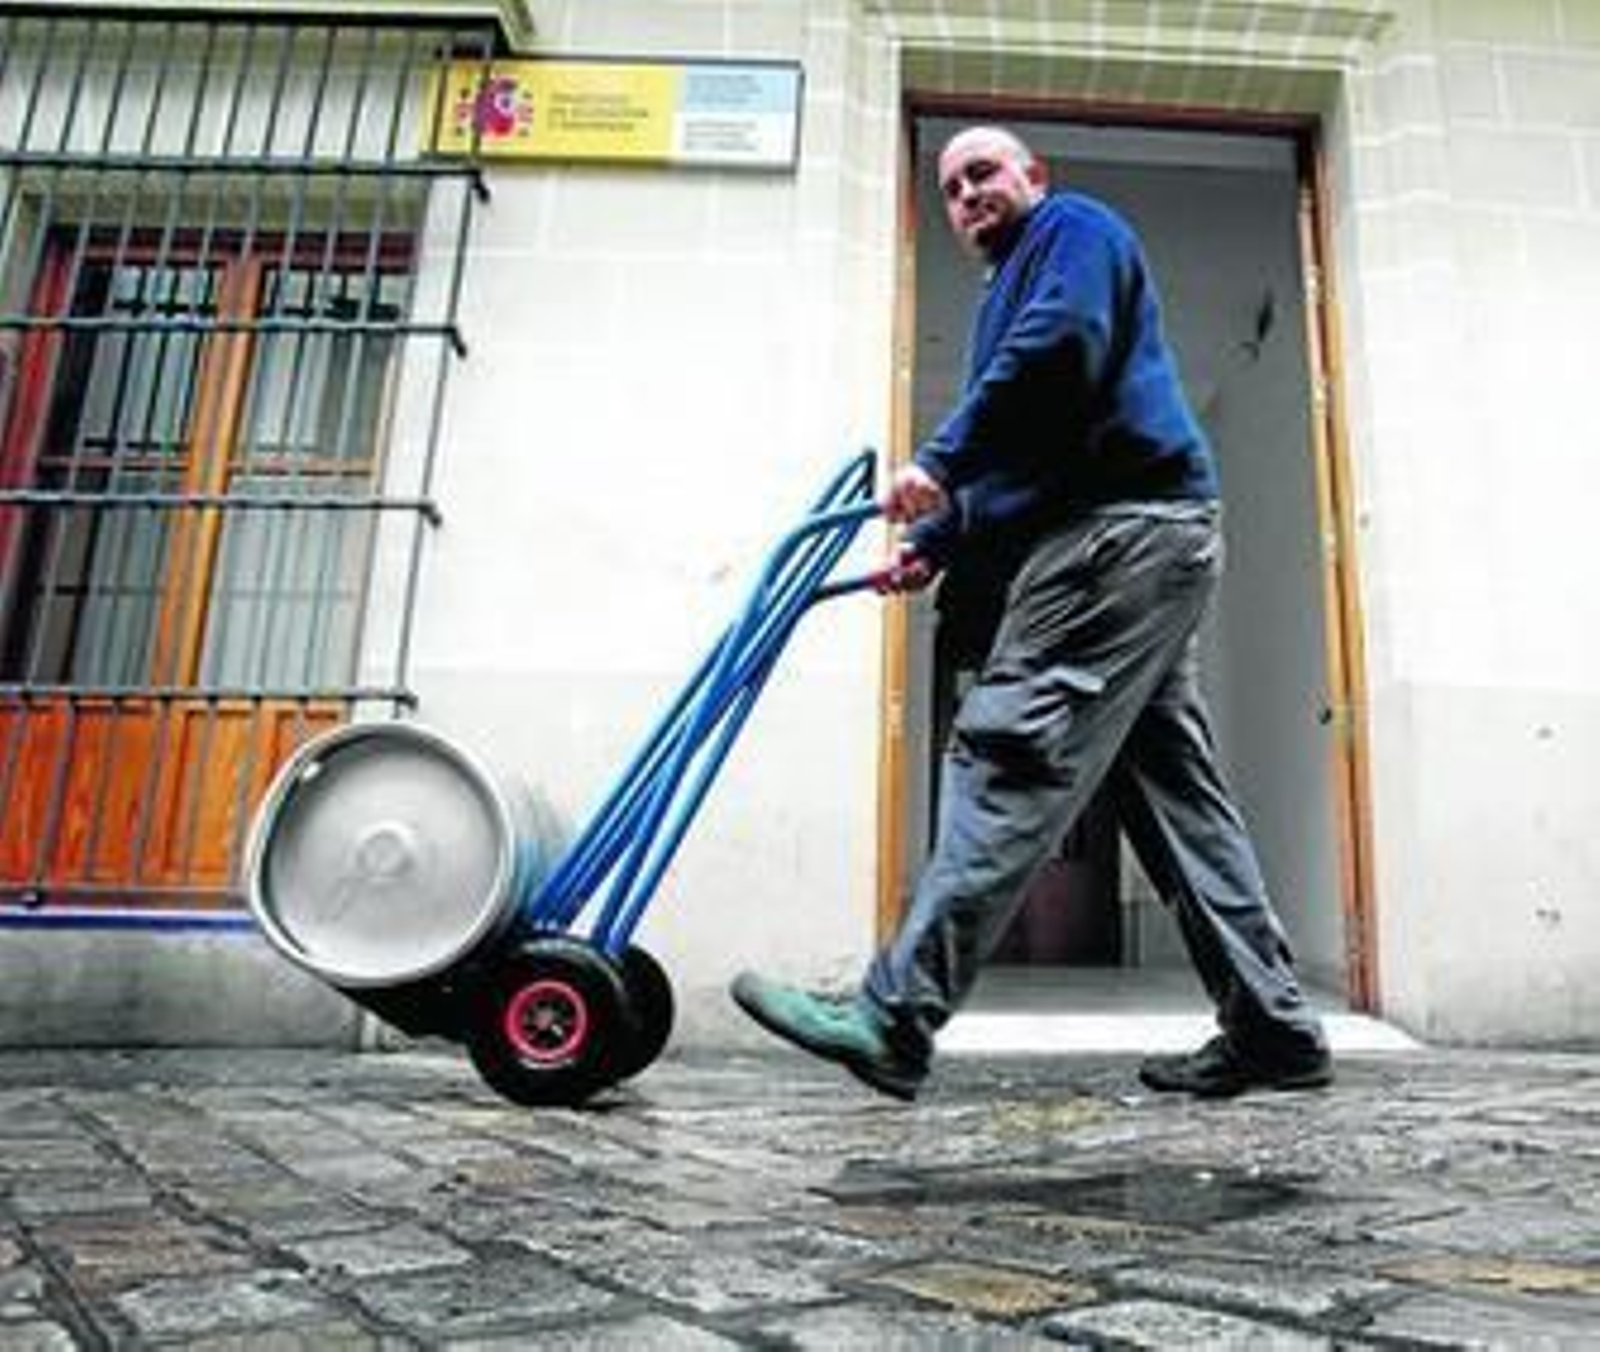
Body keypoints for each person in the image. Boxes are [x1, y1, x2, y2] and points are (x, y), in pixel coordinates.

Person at [731, 125, 1333, 1101]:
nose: (967, 193)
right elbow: (1030, 457)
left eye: (983, 173)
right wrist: (933, 544)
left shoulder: (1073, 232)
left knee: (1006, 748)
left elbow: (1060, 353)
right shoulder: (996, 303)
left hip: (1118, 536)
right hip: (1143, 536)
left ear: (1032, 177)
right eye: (952, 186)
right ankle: (1273, 1025)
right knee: (1177, 797)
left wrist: (939, 458)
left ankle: (895, 1014)